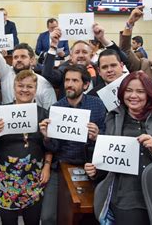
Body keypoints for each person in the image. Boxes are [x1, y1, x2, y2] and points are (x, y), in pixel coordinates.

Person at [85, 71, 152, 225]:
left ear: (149, 94)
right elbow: (110, 157)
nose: (133, 95)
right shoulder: (113, 116)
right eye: (129, 90)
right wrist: (95, 169)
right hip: (126, 196)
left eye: (140, 91)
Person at [39, 65, 106, 225]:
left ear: (85, 84)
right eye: (67, 80)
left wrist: (98, 136)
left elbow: (106, 140)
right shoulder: (56, 108)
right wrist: (47, 138)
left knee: (88, 213)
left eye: (75, 80)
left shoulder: (98, 105)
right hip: (60, 167)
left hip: (89, 167)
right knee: (48, 217)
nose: (69, 84)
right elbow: (52, 148)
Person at [0, 70, 52, 225]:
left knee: (33, 221)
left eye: (30, 86)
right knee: (8, 222)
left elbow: (51, 146)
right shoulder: (1, 112)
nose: (25, 90)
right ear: (14, 87)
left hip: (34, 177)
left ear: (35, 90)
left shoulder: (44, 114)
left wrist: (47, 166)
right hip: (6, 178)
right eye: (20, 85)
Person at [43, 23, 126, 98]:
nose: (81, 55)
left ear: (91, 55)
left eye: (85, 52)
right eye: (77, 52)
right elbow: (47, 74)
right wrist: (53, 45)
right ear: (71, 56)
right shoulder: (64, 70)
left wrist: (102, 39)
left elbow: (124, 59)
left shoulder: (99, 70)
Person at [88, 49, 152, 110]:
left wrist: (148, 83)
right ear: (99, 71)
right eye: (104, 67)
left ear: (121, 66)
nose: (109, 70)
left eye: (113, 65)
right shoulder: (93, 96)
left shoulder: (139, 83)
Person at [0, 39, 57, 110]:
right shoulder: (6, 73)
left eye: (23, 56)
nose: (19, 60)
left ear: (32, 60)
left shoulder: (44, 84)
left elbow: (50, 112)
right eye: (15, 57)